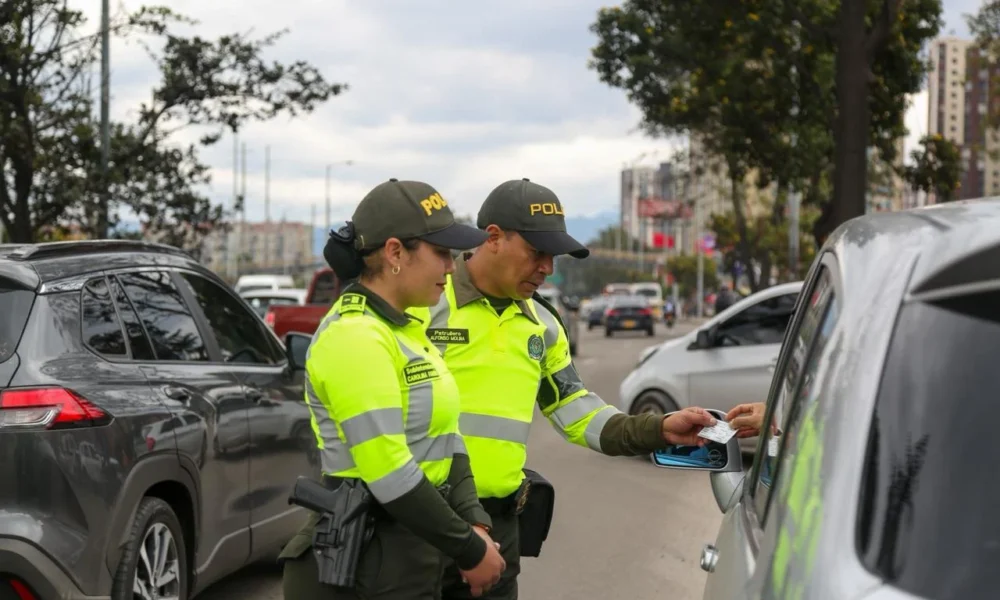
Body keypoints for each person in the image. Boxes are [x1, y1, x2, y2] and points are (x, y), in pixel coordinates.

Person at [408, 178, 718, 600]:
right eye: (537, 252)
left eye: (553, 256)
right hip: (419, 525)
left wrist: (658, 428)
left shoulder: (544, 325)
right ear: (493, 238)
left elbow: (576, 411)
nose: (547, 268)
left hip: (498, 530)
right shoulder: (425, 303)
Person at [279, 179, 507, 599]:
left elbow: (446, 437)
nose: (451, 267)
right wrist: (469, 548)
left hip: (410, 552)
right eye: (441, 253)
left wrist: (473, 517)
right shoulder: (355, 337)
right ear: (395, 252)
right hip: (362, 559)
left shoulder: (406, 328)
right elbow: (387, 470)